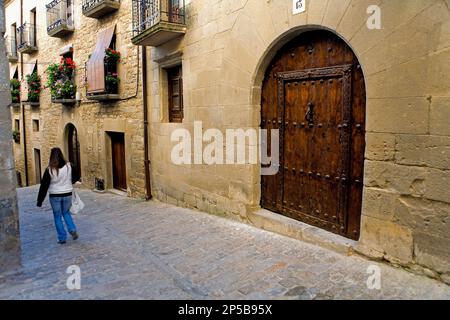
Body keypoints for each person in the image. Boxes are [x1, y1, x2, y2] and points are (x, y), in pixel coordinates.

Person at [37, 147, 80, 244]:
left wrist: (40, 201)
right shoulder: (69, 166)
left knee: (57, 216)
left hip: (54, 195)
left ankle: (62, 238)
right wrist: (70, 181)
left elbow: (44, 186)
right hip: (67, 193)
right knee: (66, 213)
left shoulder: (49, 170)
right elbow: (76, 177)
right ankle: (72, 229)